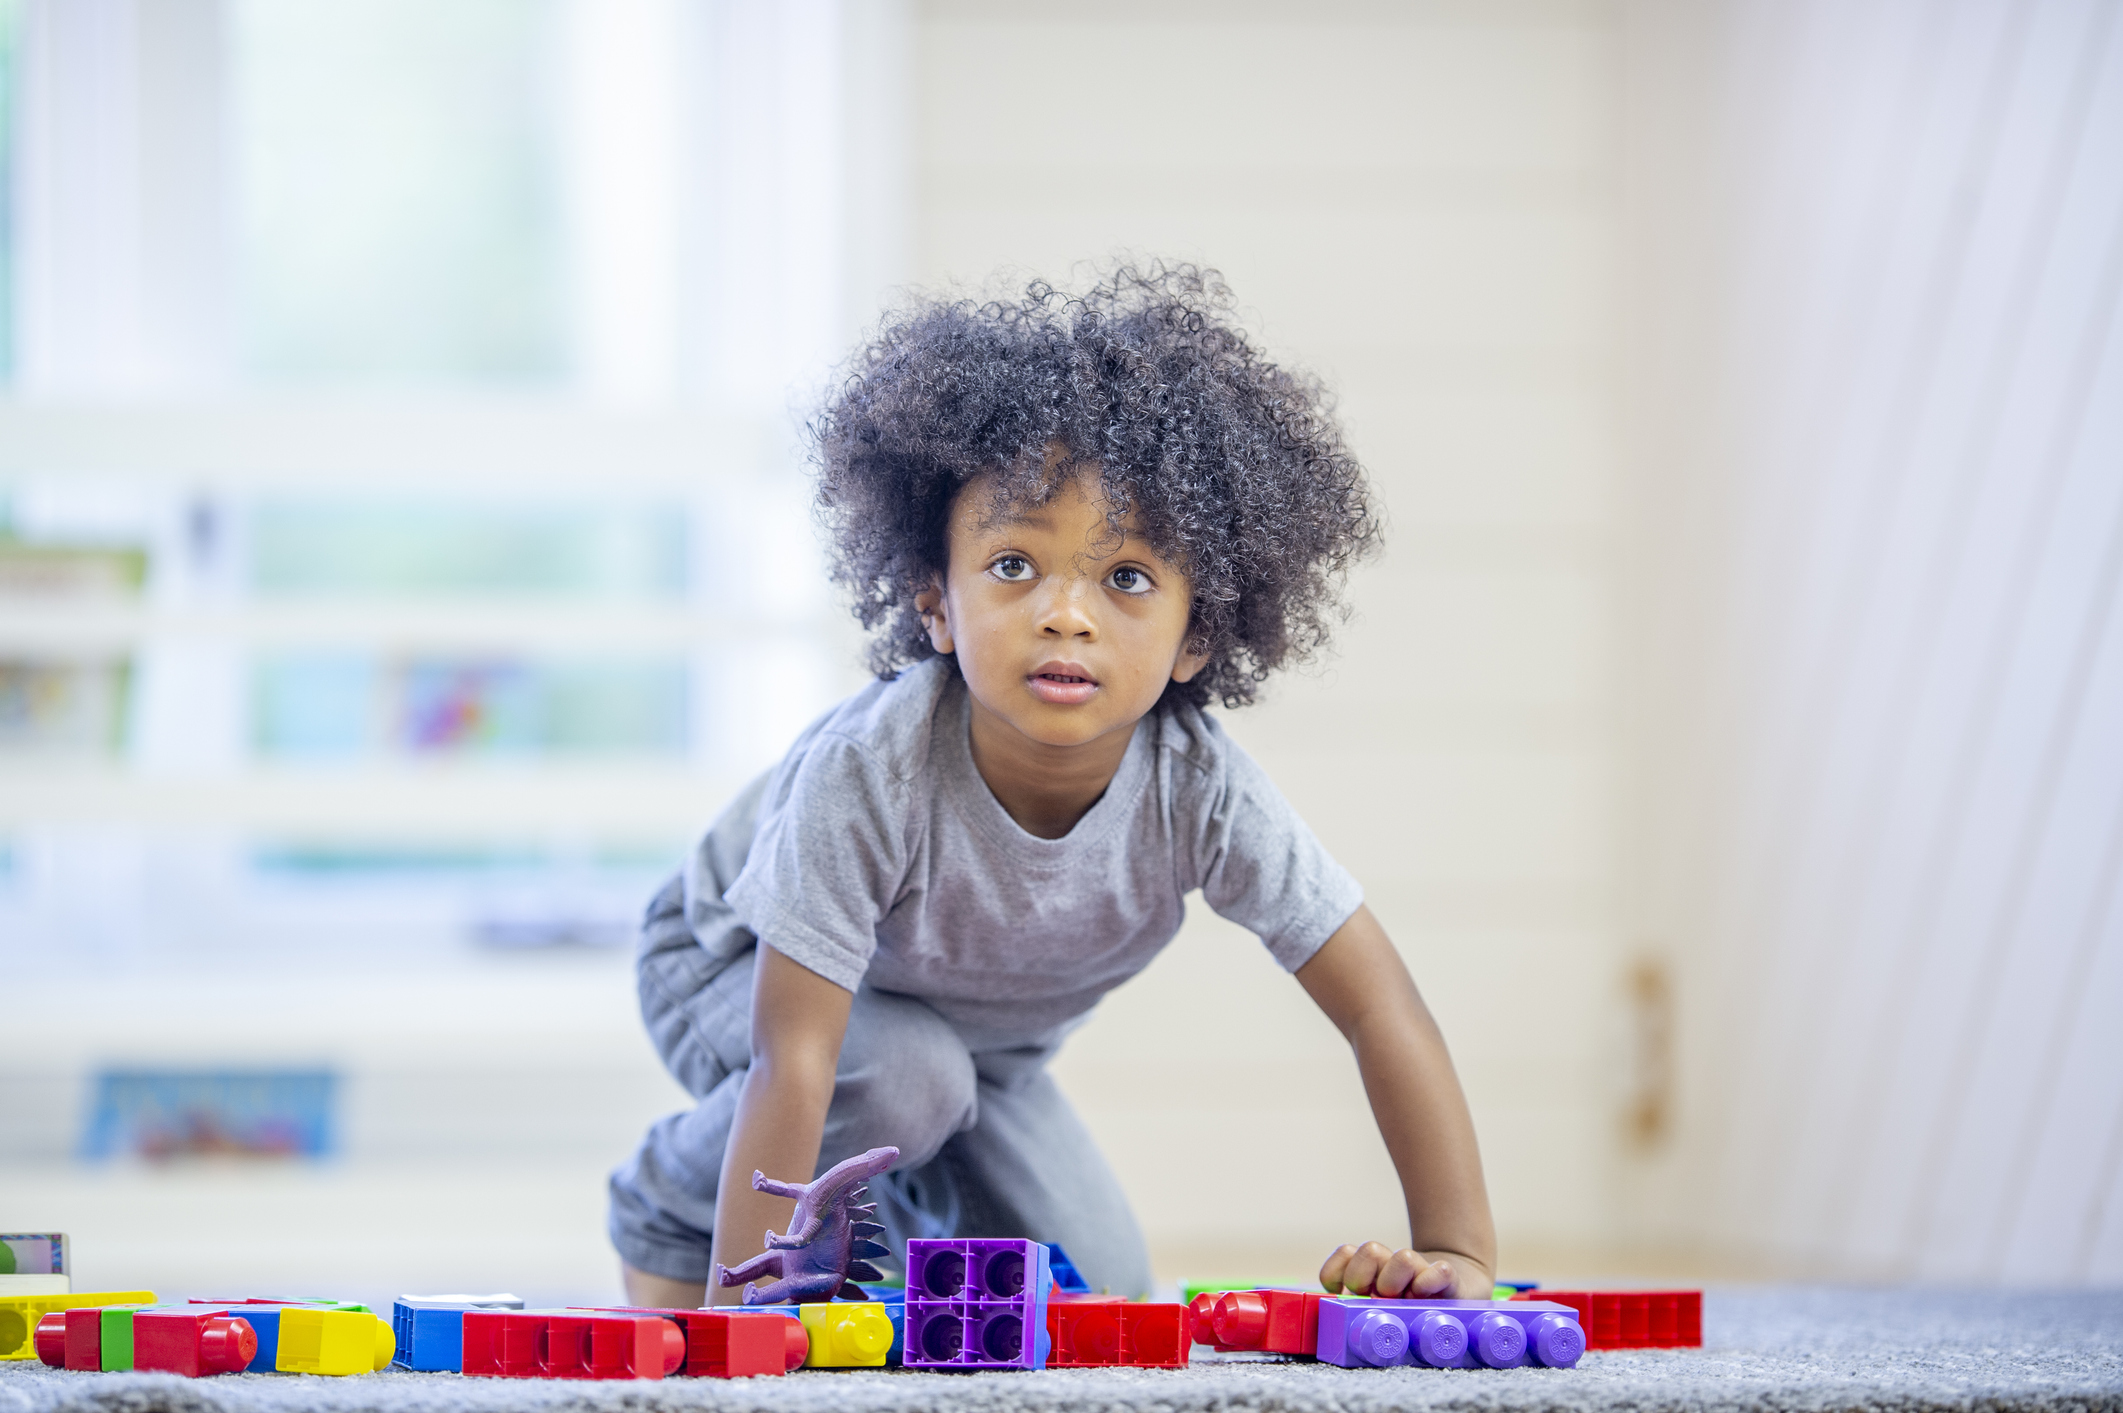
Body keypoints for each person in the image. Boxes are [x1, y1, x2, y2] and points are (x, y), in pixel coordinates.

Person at [608, 262, 1496, 1308]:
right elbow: (796, 1053)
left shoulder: (1200, 789)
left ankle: (881, 1210)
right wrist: (740, 1304)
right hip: (735, 965)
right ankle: (674, 1193)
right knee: (900, 1081)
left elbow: (1380, 1006)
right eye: (1014, 566)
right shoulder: (873, 771)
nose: (1064, 613)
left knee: (1105, 1303)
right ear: (935, 606)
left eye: (1124, 579)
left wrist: (1456, 1249)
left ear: (1194, 636)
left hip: (984, 1052)